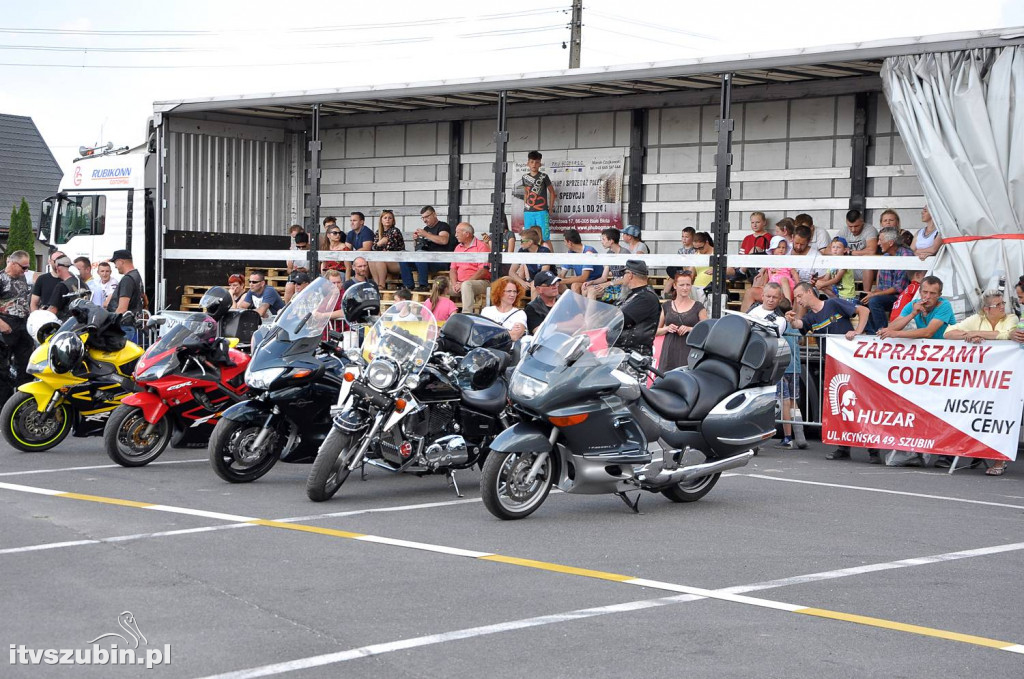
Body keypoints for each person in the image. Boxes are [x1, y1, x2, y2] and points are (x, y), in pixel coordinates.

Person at [787, 282, 876, 462]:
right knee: (839, 405)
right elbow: (799, 324)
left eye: (799, 296)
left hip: (852, 362)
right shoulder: (811, 317)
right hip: (833, 365)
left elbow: (864, 311)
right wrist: (790, 320)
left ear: (809, 292)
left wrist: (857, 331)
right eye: (796, 297)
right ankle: (843, 447)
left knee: (861, 403)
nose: (798, 300)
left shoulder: (833, 304)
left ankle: (872, 449)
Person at [748, 282, 801, 448]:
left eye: (774, 297)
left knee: (783, 399)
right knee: (755, 399)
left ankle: (788, 437)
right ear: (762, 296)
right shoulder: (752, 311)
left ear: (779, 299)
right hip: (753, 362)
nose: (771, 300)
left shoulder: (780, 319)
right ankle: (753, 436)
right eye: (768, 296)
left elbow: (766, 332)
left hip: (773, 365)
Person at [861, 227, 914, 334]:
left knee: (874, 301)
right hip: (887, 295)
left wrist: (875, 295)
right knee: (862, 301)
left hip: (901, 297)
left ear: (890, 243)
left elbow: (899, 287)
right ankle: (872, 334)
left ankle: (883, 332)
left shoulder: (906, 255)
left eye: (880, 240)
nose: (878, 243)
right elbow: (881, 285)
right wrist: (873, 293)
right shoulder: (885, 256)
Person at [656, 271, 707, 371]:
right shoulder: (666, 306)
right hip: (669, 352)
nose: (685, 288)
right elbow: (656, 331)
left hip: (689, 352)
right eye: (681, 285)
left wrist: (690, 329)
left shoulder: (698, 307)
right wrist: (667, 329)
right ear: (675, 286)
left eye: (688, 285)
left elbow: (707, 331)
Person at [878, 275, 955, 340]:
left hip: (949, 349)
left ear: (939, 295)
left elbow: (928, 333)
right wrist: (912, 314)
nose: (927, 296)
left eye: (932, 293)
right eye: (925, 292)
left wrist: (896, 334)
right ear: (920, 292)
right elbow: (891, 328)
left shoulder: (944, 305)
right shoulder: (913, 304)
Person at [614, 260, 661, 357]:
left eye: (624, 273)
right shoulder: (632, 295)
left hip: (635, 358)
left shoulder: (646, 297)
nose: (623, 277)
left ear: (630, 275)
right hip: (623, 354)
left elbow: (621, 320)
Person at [0, 250, 34, 384]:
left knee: (26, 364)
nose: (25, 270)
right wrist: (1, 324)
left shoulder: (23, 277)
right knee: (3, 368)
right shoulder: (1, 279)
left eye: (27, 267)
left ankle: (23, 399)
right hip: (6, 323)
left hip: (23, 324)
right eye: (23, 267)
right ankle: (4, 402)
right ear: (13, 264)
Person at [401, 206, 454, 291]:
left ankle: (423, 285)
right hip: (425, 261)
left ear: (434, 214)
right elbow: (419, 248)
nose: (425, 220)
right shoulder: (426, 229)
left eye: (427, 217)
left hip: (439, 261)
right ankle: (408, 286)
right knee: (404, 257)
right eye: (423, 218)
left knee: (421, 255)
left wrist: (426, 234)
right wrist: (416, 240)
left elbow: (444, 240)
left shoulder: (443, 226)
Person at [740, 235, 796, 312]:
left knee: (784, 280)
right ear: (773, 249)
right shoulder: (769, 261)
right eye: (778, 247)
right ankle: (744, 319)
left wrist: (798, 284)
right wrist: (762, 272)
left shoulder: (787, 260)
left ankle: (788, 304)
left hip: (784, 289)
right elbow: (764, 269)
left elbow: (794, 273)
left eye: (783, 248)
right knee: (750, 291)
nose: (781, 250)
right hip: (771, 286)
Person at [517, 150, 556, 249]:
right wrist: (525, 206)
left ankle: (551, 263)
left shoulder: (544, 176)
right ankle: (529, 262)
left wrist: (550, 208)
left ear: (540, 164)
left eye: (537, 162)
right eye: (532, 162)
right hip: (528, 212)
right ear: (528, 163)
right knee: (528, 237)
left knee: (545, 237)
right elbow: (526, 192)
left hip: (542, 211)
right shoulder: (524, 177)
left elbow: (552, 192)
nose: (534, 164)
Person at [449, 223, 491, 312]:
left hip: (480, 282)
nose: (455, 235)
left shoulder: (482, 246)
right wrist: (454, 284)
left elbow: (483, 271)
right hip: (459, 283)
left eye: (458, 232)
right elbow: (453, 269)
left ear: (467, 234)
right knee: (439, 284)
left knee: (466, 285)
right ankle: (439, 315)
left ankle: (466, 315)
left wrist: (462, 283)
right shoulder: (458, 248)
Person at [837, 209, 879, 297]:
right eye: (850, 226)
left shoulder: (870, 229)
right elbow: (831, 248)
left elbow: (871, 251)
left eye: (856, 226)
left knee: (868, 263)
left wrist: (850, 252)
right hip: (849, 267)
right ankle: (839, 295)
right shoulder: (843, 231)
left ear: (862, 222)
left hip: (865, 268)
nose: (853, 229)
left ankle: (865, 295)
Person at [106, 250, 146, 342]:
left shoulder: (127, 279)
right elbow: (143, 298)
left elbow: (122, 308)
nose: (115, 266)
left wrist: (109, 324)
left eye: (115, 263)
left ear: (121, 261)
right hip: (132, 325)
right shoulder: (137, 276)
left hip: (124, 327)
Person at [583, 227, 625, 303]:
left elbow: (628, 279)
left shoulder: (625, 254)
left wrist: (608, 284)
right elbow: (603, 278)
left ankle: (589, 314)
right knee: (586, 289)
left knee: (592, 291)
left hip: (623, 288)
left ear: (611, 241)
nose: (602, 242)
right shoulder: (609, 254)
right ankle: (589, 313)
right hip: (613, 286)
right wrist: (591, 282)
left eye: (603, 239)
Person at [480, 277, 528, 341]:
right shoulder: (487, 311)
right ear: (499, 292)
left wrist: (492, 332)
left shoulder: (519, 314)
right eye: (509, 291)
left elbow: (515, 336)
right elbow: (481, 334)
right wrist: (508, 331)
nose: (512, 294)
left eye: (515, 292)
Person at [559, 228, 602, 294]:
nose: (565, 244)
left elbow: (583, 278)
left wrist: (563, 281)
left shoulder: (588, 252)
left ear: (569, 243)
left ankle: (574, 304)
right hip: (582, 283)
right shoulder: (570, 253)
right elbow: (562, 275)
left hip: (595, 282)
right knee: (557, 285)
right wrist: (555, 281)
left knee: (575, 285)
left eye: (565, 242)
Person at [369, 209, 405, 288]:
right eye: (385, 218)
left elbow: (390, 249)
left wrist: (378, 245)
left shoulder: (395, 231)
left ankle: (381, 285)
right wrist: (379, 243)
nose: (387, 220)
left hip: (396, 262)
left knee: (380, 261)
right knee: (371, 260)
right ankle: (376, 283)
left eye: (390, 218)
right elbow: (373, 248)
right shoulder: (378, 232)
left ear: (393, 220)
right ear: (381, 220)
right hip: (384, 260)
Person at [524, 270, 560, 335]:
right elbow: (540, 332)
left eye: (556, 283)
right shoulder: (532, 308)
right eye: (550, 284)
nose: (555, 287)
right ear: (539, 289)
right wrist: (567, 324)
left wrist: (554, 326)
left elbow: (580, 323)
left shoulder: (565, 301)